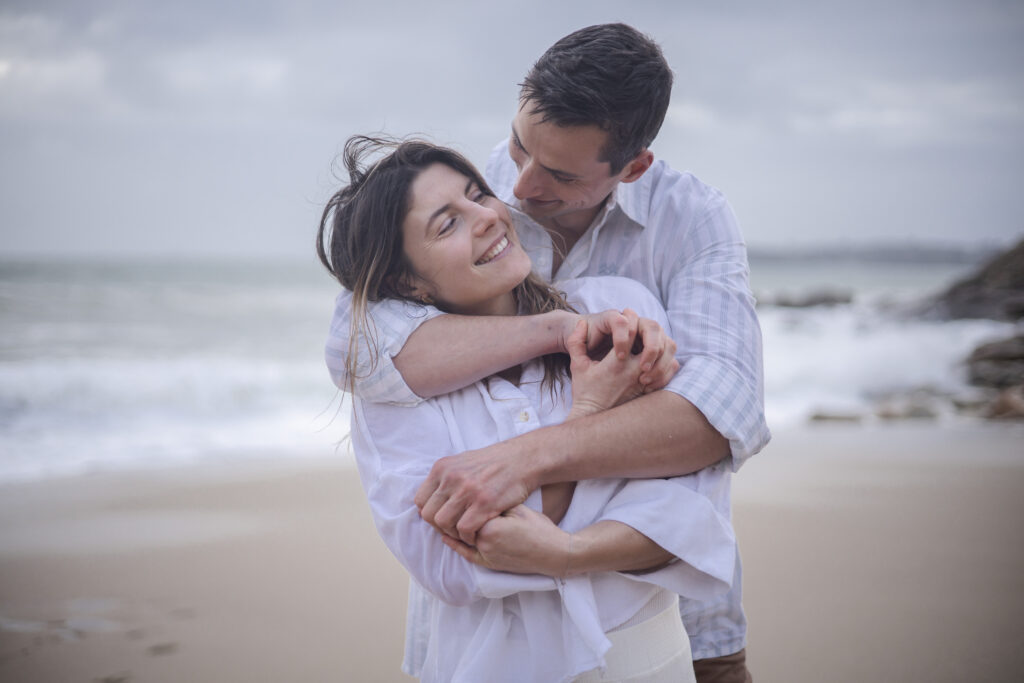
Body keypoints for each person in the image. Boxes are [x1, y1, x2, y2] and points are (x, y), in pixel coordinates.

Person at [325, 23, 770, 682]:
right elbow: (356, 350)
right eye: (517, 145)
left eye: (558, 173)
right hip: (479, 649)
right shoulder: (464, 194)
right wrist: (558, 329)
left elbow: (718, 419)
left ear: (632, 166)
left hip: (668, 626)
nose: (519, 188)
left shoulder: (688, 224)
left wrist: (528, 466)